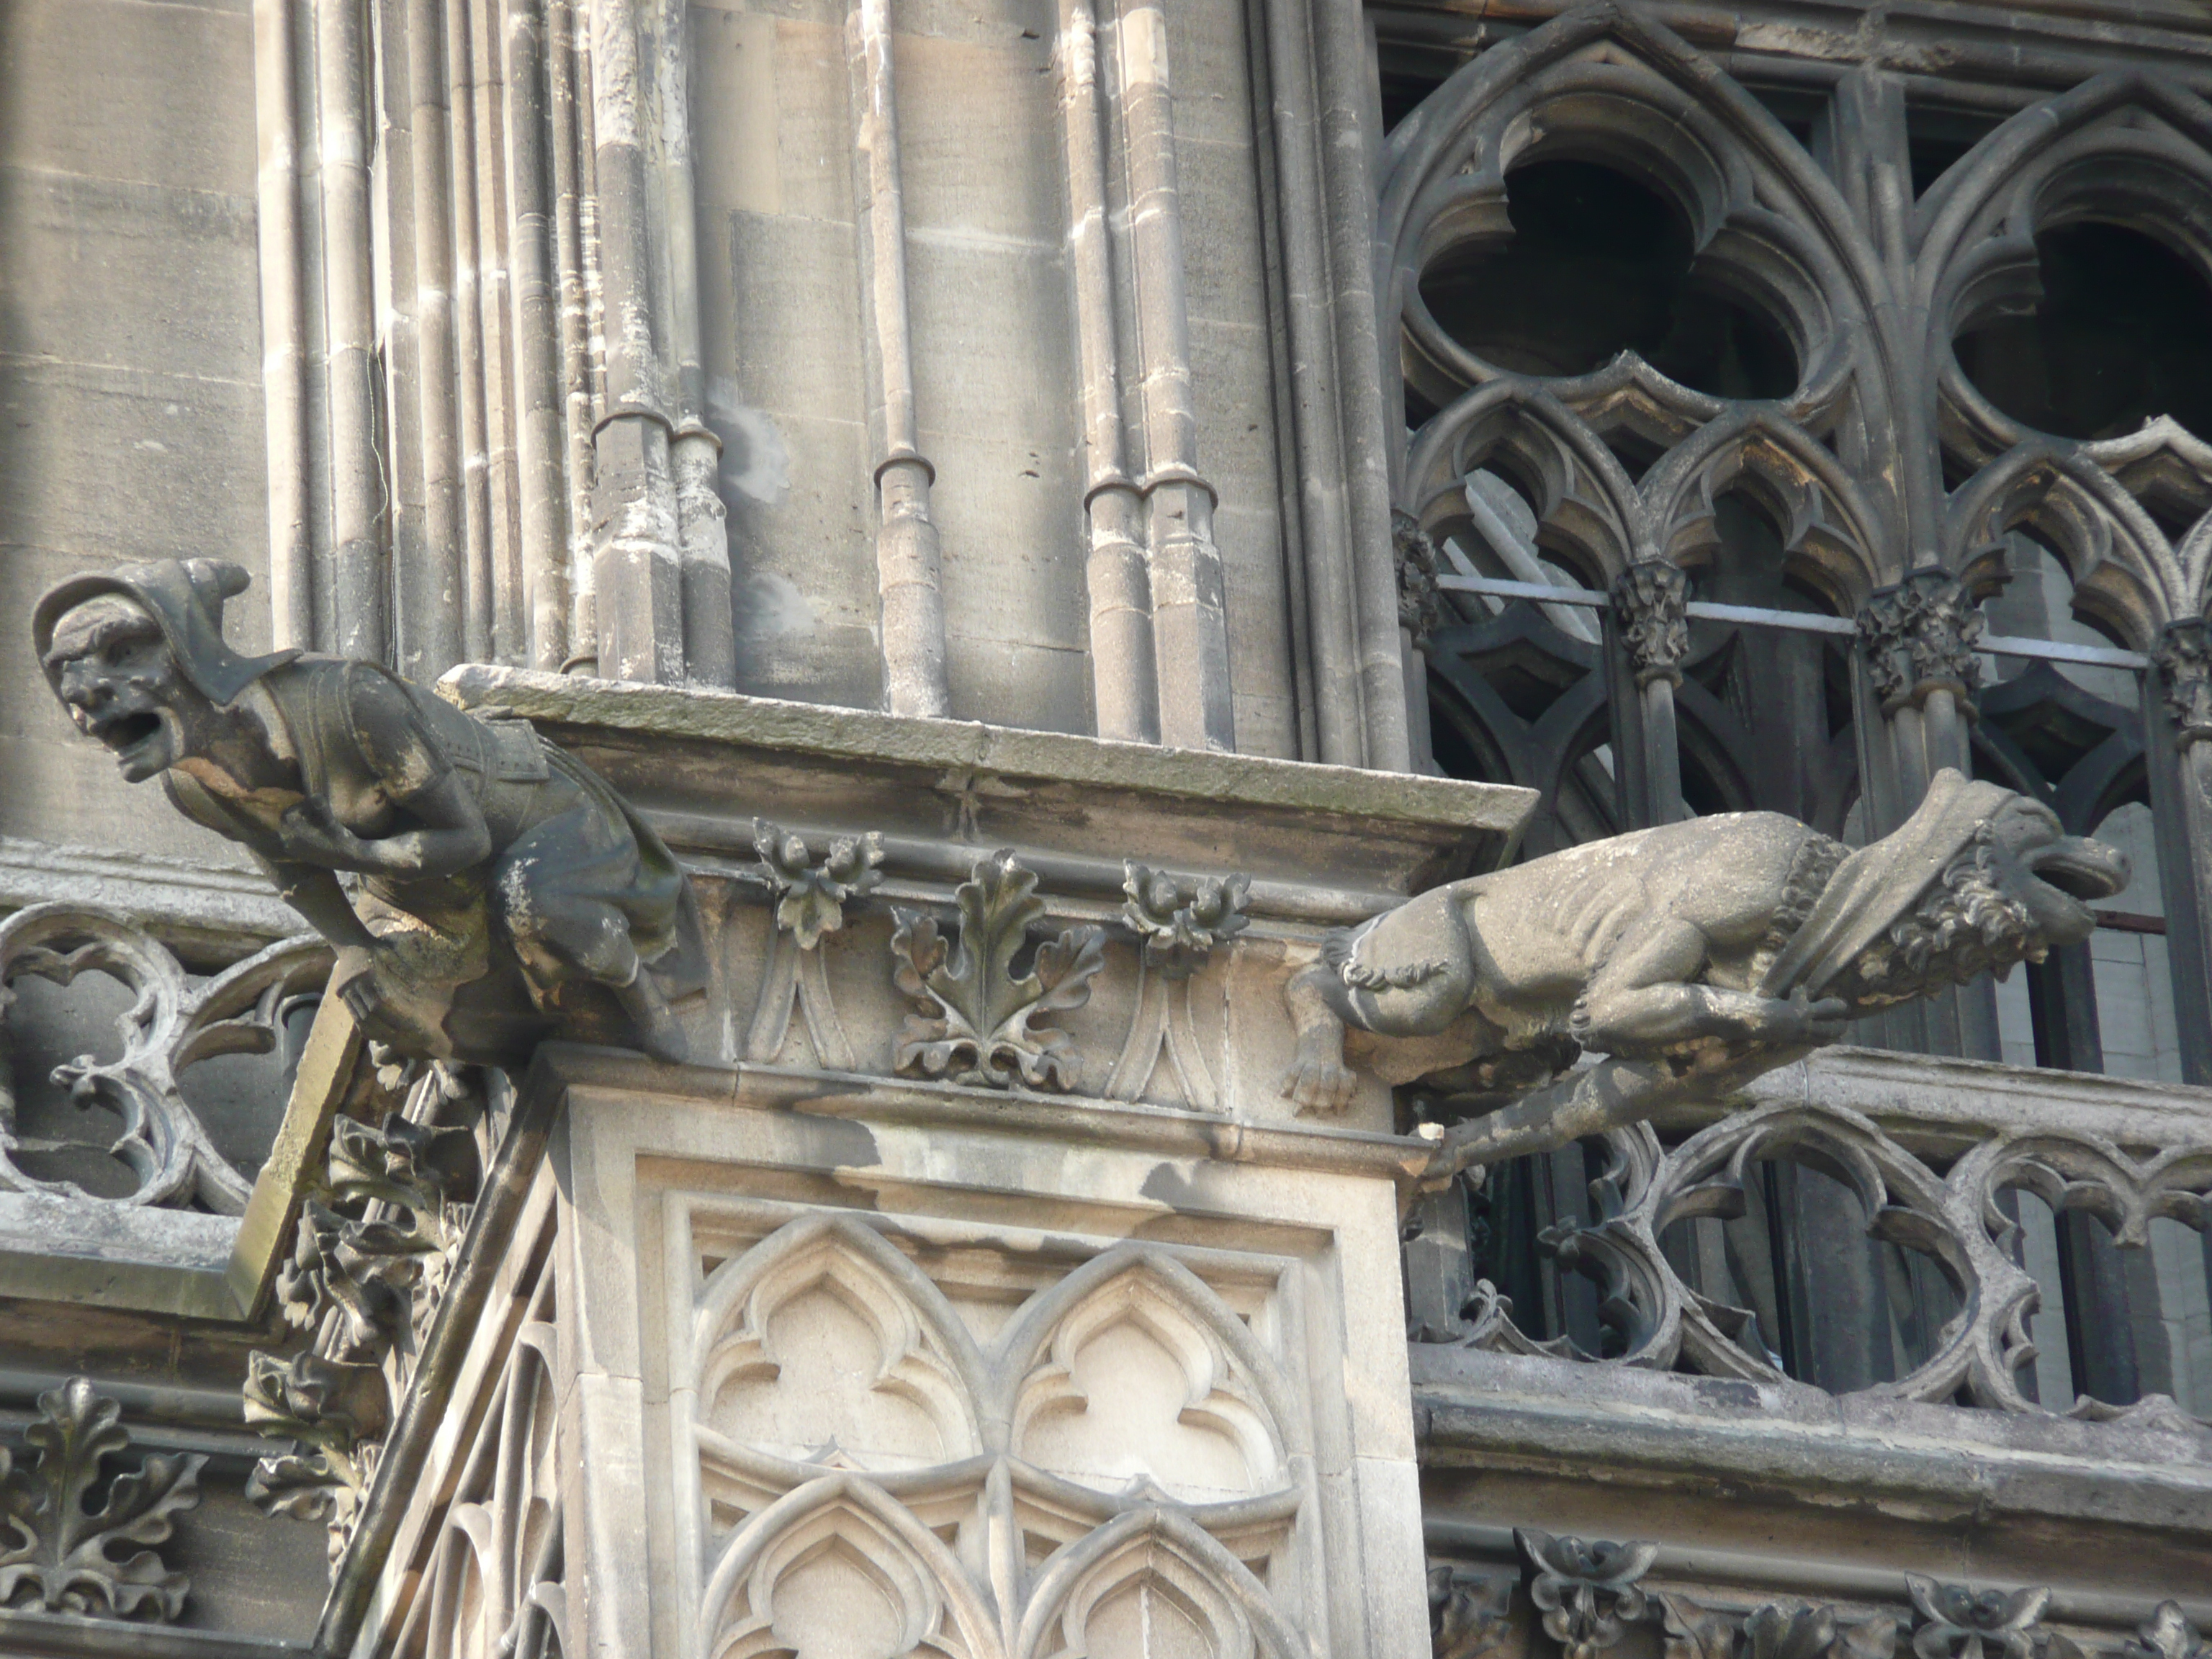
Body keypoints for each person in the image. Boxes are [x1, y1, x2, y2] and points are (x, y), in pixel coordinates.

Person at [35, 559, 703, 1066]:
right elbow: (292, 872)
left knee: (532, 904)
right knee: (375, 999)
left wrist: (350, 856)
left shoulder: (349, 700)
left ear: (188, 650)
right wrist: (355, 949)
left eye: (121, 662)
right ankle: (475, 1059)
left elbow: (466, 838)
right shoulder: (194, 787)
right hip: (422, 886)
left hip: (545, 828)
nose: (86, 706)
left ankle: (638, 991)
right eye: (75, 689)